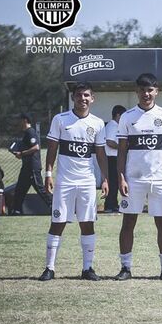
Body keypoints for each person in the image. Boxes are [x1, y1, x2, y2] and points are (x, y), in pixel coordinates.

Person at [38, 82, 109, 281]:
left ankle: (87, 269)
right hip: (64, 182)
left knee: (87, 223)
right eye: (79, 95)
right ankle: (49, 268)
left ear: (92, 98)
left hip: (86, 181)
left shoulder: (98, 123)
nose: (83, 99)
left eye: (86, 95)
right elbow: (52, 149)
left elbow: (101, 153)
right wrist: (48, 174)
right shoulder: (60, 119)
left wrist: (105, 178)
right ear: (73, 98)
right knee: (57, 222)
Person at [114, 73, 162, 282]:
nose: (146, 94)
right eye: (142, 90)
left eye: (150, 89)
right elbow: (122, 151)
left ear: (156, 91)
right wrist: (121, 178)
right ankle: (125, 268)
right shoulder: (127, 117)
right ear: (137, 92)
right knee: (128, 222)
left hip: (160, 179)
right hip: (133, 180)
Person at [11, 113, 52, 214]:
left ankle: (54, 206)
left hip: (32, 167)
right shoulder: (26, 133)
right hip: (26, 167)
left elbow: (36, 147)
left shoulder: (30, 132)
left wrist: (22, 153)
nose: (18, 123)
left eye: (20, 120)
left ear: (25, 120)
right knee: (20, 189)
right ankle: (17, 210)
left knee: (40, 188)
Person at [104, 105, 126, 213]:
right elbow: (109, 142)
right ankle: (109, 205)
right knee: (112, 182)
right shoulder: (112, 126)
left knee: (116, 182)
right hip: (111, 158)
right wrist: (122, 148)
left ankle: (114, 204)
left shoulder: (116, 126)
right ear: (118, 115)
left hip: (115, 158)